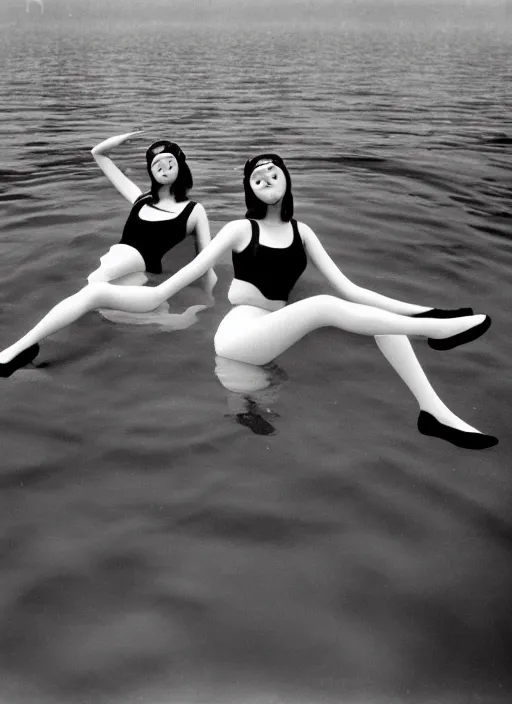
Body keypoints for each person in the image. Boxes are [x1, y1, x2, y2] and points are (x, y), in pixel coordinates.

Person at [0, 154, 497, 450]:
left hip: (270, 337)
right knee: (322, 308)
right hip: (238, 337)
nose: (264, 173)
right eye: (255, 173)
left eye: (272, 168)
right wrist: (150, 297)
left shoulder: (304, 232)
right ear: (250, 188)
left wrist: (425, 311)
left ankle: (434, 411)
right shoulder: (240, 229)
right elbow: (197, 271)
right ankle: (12, 352)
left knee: (374, 319)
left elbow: (354, 291)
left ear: (285, 182)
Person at [0, 131, 216, 375]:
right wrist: (125, 138)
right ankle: (162, 320)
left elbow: (205, 261)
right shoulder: (140, 200)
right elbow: (98, 154)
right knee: (98, 300)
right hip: (127, 277)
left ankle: (12, 353)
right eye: (156, 165)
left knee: (93, 294)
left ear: (180, 167)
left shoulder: (193, 211)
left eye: (169, 163)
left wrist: (208, 302)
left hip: (140, 278)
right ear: (150, 172)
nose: (164, 169)